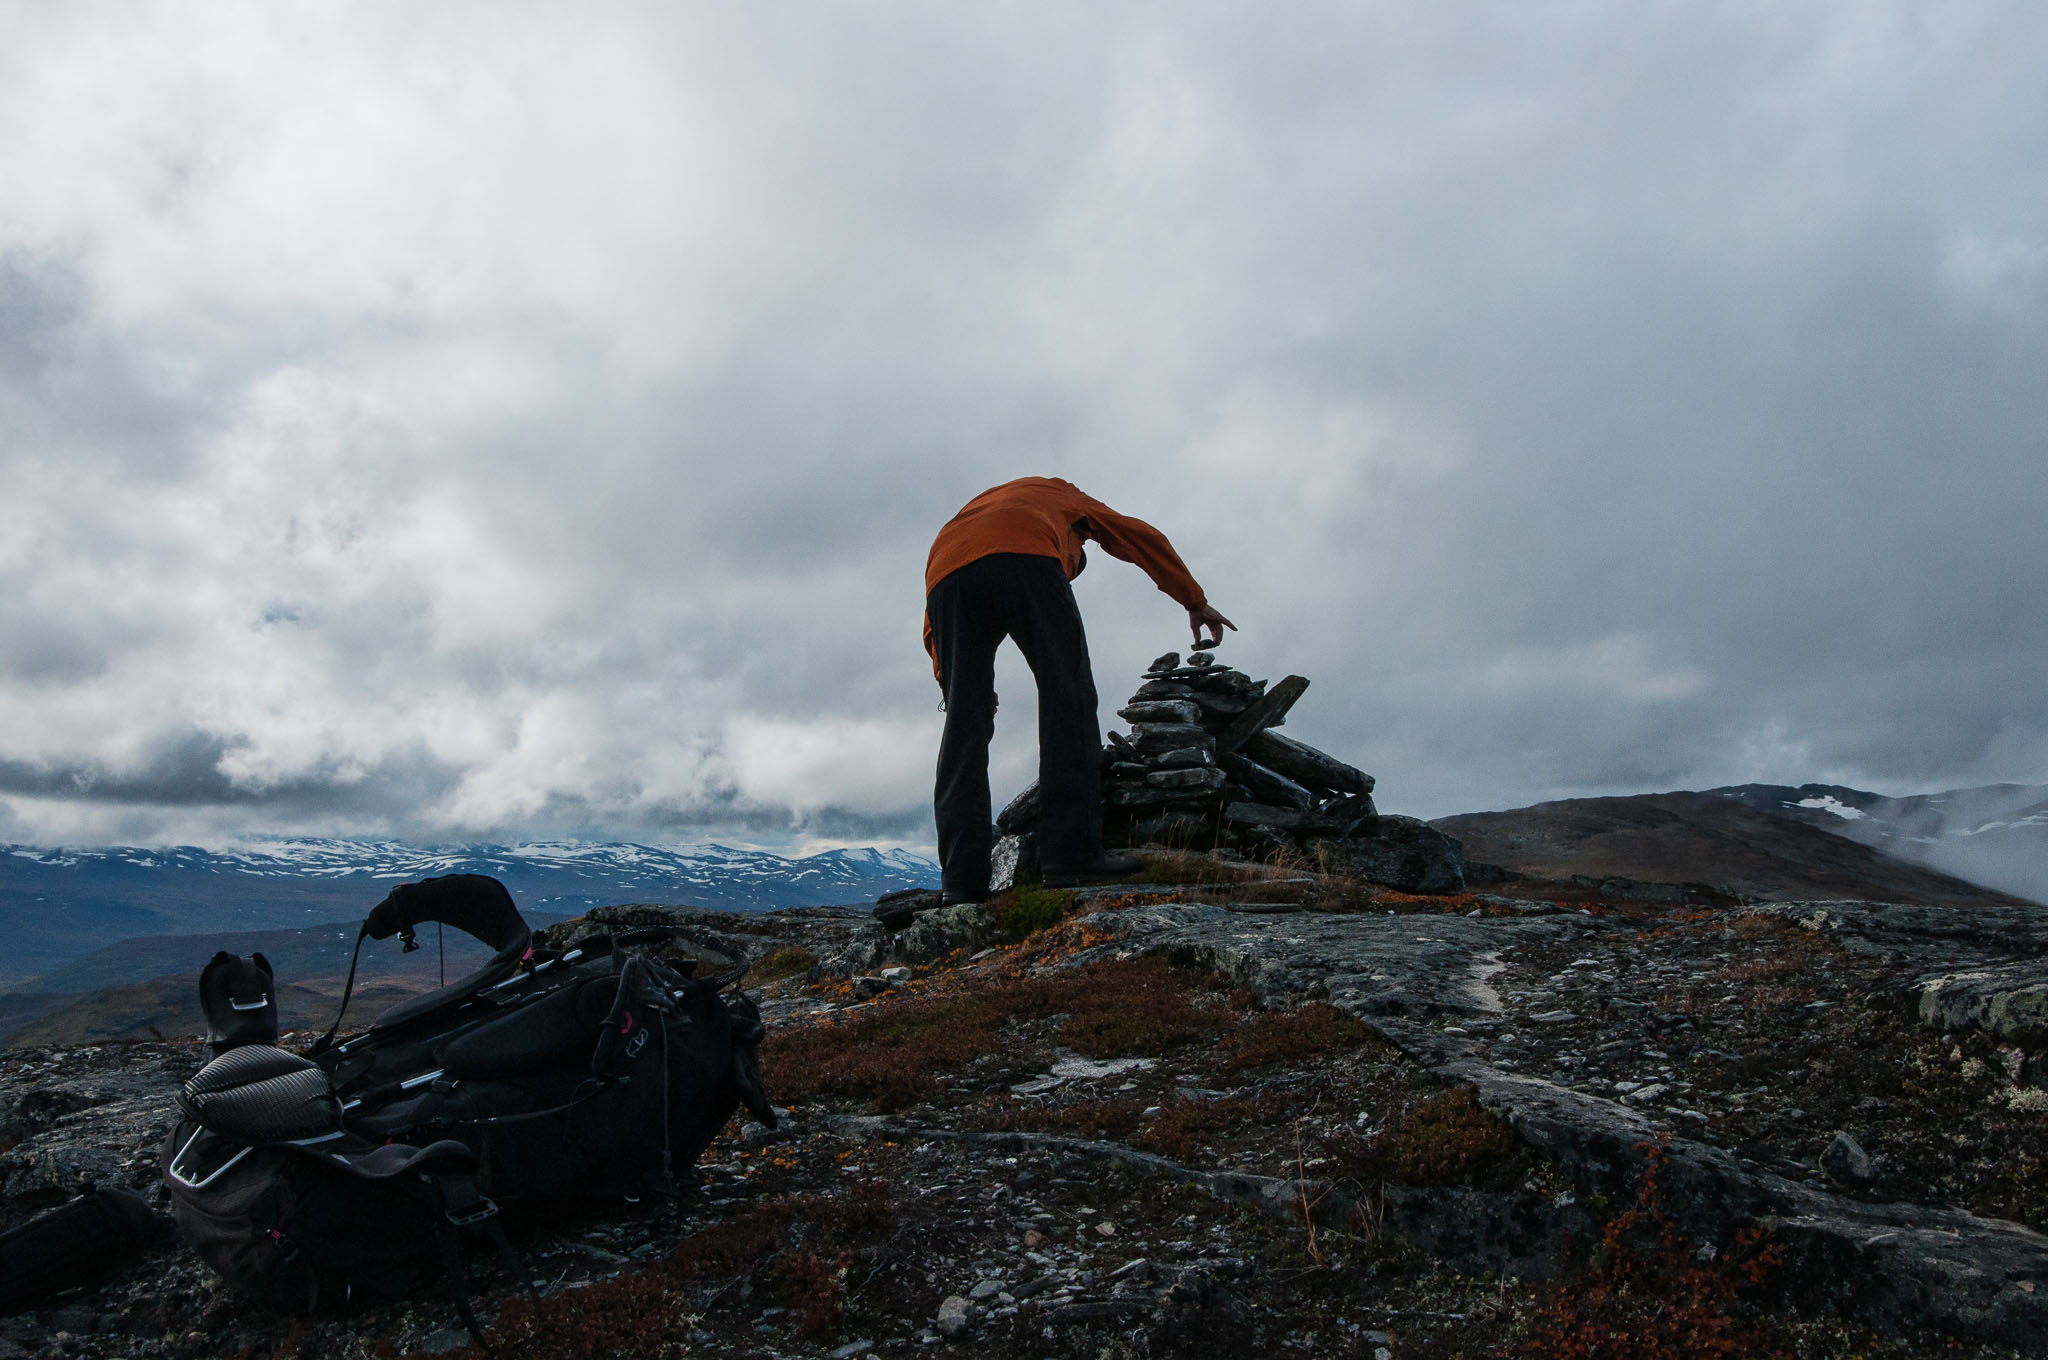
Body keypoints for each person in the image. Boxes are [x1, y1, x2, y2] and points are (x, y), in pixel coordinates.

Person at [924, 476, 1234, 902]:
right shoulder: (1063, 496)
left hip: (945, 572)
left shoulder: (981, 514)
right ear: (1076, 545)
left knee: (963, 724)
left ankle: (960, 883)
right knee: (1067, 692)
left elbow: (932, 630)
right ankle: (1070, 856)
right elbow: (1140, 536)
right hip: (1026, 555)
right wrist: (1193, 600)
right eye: (1071, 570)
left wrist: (957, 684)